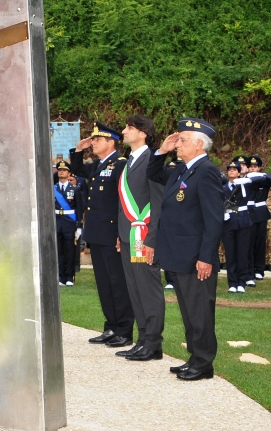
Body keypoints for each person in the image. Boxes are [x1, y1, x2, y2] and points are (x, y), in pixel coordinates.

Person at [147, 118, 223, 381]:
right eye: (178, 140)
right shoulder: (181, 169)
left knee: (200, 311)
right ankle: (195, 357)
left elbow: (214, 220)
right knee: (189, 312)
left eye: (183, 140)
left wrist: (206, 257)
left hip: (195, 257)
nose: (178, 144)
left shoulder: (207, 171)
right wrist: (161, 151)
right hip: (179, 255)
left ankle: (203, 363)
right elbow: (153, 173)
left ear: (199, 145)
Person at [69, 123, 135, 348]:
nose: (94, 142)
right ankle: (111, 326)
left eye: (98, 139)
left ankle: (124, 330)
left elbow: (123, 202)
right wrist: (78, 150)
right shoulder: (98, 164)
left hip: (112, 233)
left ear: (111, 142)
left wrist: (120, 232)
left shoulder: (121, 165)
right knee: (104, 283)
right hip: (96, 232)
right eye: (93, 139)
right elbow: (78, 170)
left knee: (118, 282)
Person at [115, 115, 166, 362]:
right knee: (135, 289)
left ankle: (154, 343)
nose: (124, 131)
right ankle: (142, 339)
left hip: (143, 236)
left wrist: (152, 240)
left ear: (143, 133)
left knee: (148, 288)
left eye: (129, 128)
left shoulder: (152, 160)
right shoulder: (130, 161)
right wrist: (121, 235)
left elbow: (157, 204)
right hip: (128, 236)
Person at [245, 155, 271, 281]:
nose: (252, 169)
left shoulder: (263, 180)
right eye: (250, 167)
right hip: (248, 212)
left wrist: (263, 175)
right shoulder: (245, 179)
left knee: (260, 243)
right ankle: (249, 269)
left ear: (259, 168)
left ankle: (259, 270)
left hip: (260, 213)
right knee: (248, 243)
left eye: (255, 167)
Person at [221, 161, 256, 293]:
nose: (231, 171)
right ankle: (232, 283)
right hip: (228, 222)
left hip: (242, 221)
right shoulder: (223, 187)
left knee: (242, 253)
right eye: (229, 169)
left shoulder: (245, 186)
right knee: (230, 254)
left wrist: (247, 179)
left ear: (239, 172)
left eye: (235, 169)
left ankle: (241, 282)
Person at [54, 161, 83, 286]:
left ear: (69, 173)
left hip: (69, 223)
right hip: (56, 222)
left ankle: (70, 277)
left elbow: (80, 208)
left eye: (64, 170)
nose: (61, 171)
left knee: (70, 250)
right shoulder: (52, 189)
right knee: (59, 251)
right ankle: (61, 277)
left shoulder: (75, 189)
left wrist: (79, 226)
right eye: (59, 170)